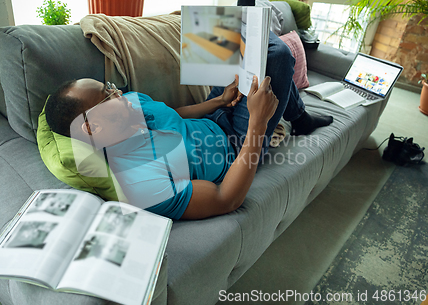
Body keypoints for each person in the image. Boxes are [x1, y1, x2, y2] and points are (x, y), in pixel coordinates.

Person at [44, 33, 333, 220]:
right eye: (109, 96)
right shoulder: (141, 183)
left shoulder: (131, 104)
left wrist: (219, 101)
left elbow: (172, 114)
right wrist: (258, 123)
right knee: (279, 56)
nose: (120, 93)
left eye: (110, 87)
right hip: (237, 144)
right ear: (91, 128)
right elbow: (226, 198)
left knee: (236, 41)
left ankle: (250, 15)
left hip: (212, 117)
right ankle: (300, 117)